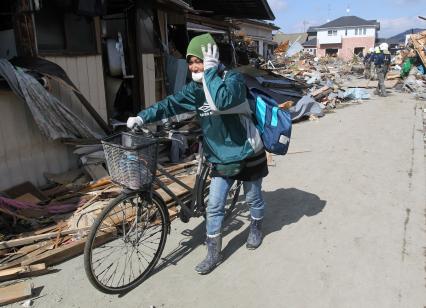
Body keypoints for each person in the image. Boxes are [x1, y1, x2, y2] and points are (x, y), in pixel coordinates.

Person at [127, 33, 268, 275]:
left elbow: (223, 101)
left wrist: (211, 72)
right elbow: (169, 104)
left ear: (211, 58)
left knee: (253, 198)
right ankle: (213, 252)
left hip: (246, 151)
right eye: (191, 61)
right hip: (219, 155)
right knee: (214, 207)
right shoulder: (194, 88)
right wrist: (143, 116)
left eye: (199, 60)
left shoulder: (232, 78)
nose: (194, 66)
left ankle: (256, 226)